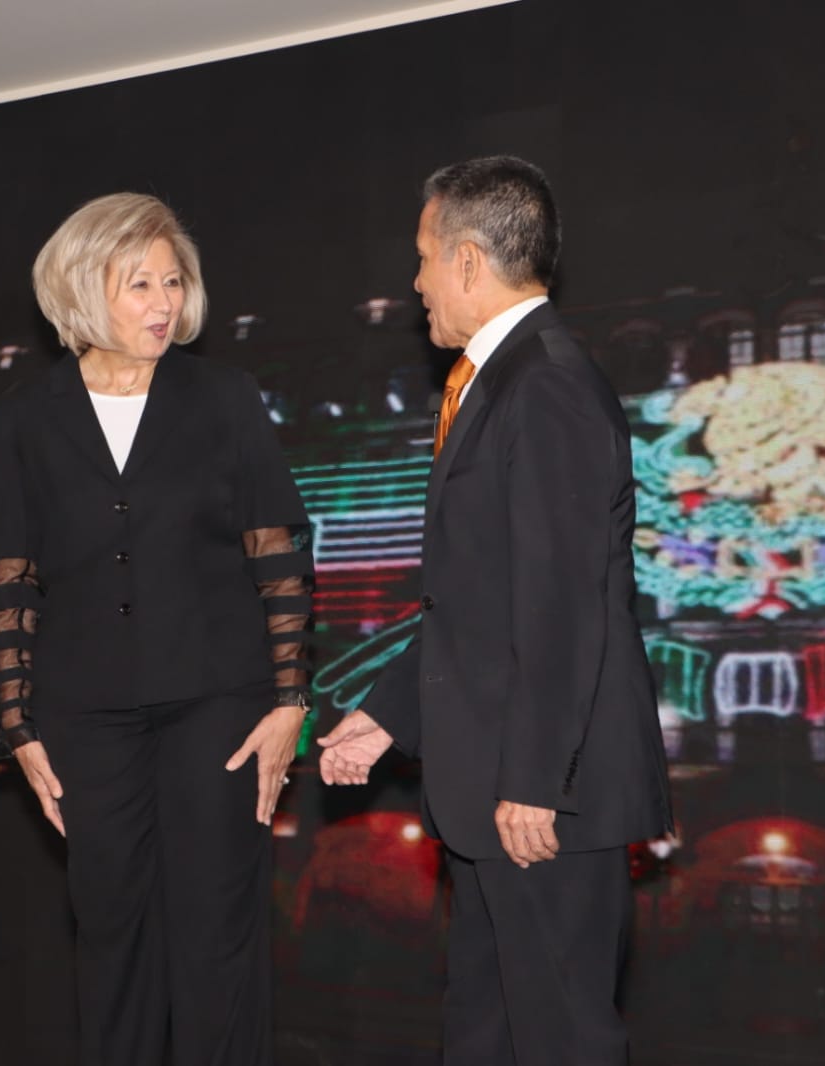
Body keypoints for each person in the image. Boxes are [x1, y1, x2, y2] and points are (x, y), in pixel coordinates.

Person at [318, 156, 673, 1065]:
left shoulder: (543, 383)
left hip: (542, 796)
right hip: (496, 787)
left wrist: (533, 781)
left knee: (556, 1039)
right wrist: (385, 716)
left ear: (468, 261)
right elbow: (479, 600)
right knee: (487, 1030)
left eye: (422, 258)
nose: (416, 283)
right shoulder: (501, 378)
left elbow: (562, 607)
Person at [0, 192, 312, 1064]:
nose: (164, 302)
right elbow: (11, 574)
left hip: (217, 700)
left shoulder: (224, 396)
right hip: (83, 712)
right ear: (83, 289)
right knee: (110, 931)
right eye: (140, 284)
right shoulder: (26, 414)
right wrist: (15, 724)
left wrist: (290, 702)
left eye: (173, 281)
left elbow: (277, 553)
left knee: (215, 932)